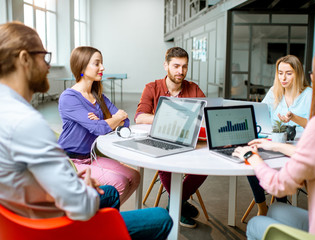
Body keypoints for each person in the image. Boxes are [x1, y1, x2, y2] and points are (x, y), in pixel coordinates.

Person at [0, 22, 172, 240]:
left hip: (26, 215)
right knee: (161, 217)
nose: (47, 66)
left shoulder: (7, 111)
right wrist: (84, 188)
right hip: (57, 228)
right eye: (44, 56)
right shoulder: (28, 123)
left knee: (109, 192)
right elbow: (80, 205)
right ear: (25, 59)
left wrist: (70, 180)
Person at [233, 38, 315, 240]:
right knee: (276, 210)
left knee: (256, 223)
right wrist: (275, 146)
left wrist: (252, 157)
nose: (313, 77)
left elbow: (279, 185)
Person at [58, 46, 140, 205]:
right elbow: (99, 128)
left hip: (91, 157)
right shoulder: (68, 97)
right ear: (82, 66)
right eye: (97, 63)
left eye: (101, 63)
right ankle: (102, 223)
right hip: (70, 161)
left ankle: (107, 217)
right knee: (120, 182)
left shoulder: (99, 97)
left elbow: (126, 122)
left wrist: (107, 121)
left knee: (135, 177)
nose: (102, 67)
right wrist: (111, 120)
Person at [135, 47, 207, 228]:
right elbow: (140, 117)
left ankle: (174, 203)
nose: (180, 71)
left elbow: (205, 116)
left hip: (189, 143)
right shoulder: (152, 88)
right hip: (162, 141)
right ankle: (178, 205)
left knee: (204, 167)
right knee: (165, 162)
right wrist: (171, 118)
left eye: (184, 67)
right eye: (175, 66)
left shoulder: (194, 88)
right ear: (165, 65)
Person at [247, 55, 313, 216]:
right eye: (280, 72)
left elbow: (314, 126)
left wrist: (294, 118)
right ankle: (262, 206)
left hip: (299, 147)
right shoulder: (274, 92)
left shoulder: (309, 94)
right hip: (274, 142)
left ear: (298, 73)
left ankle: (280, 206)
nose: (283, 77)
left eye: (288, 73)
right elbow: (260, 116)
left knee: (278, 167)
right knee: (251, 163)